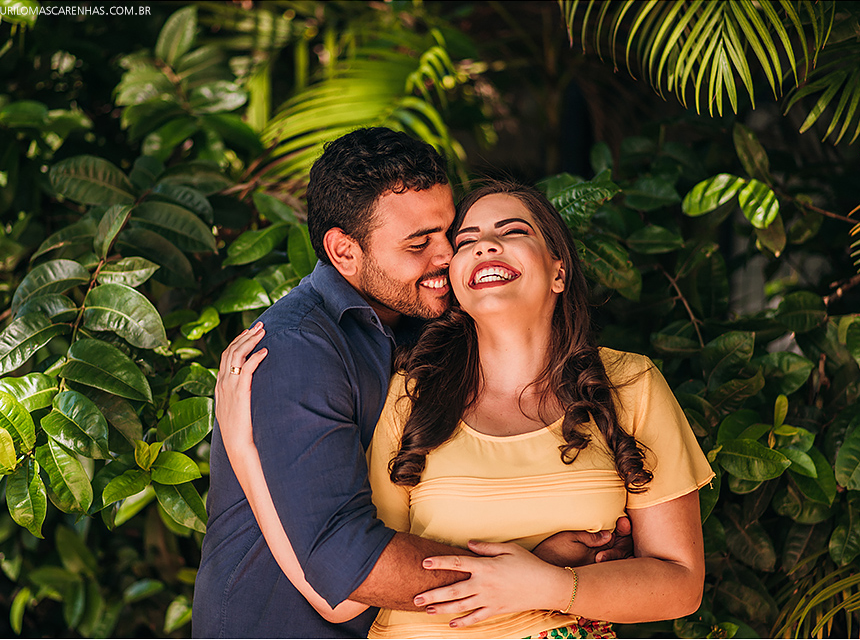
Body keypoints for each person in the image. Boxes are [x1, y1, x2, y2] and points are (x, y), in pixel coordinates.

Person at [217, 181, 714, 638]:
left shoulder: (629, 384)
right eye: (467, 240)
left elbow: (681, 585)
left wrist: (548, 584)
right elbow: (342, 596)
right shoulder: (411, 396)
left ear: (558, 270)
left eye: (512, 231)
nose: (485, 246)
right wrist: (245, 453)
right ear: (453, 281)